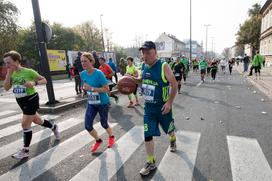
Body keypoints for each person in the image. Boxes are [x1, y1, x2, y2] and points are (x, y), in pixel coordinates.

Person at [3, 50, 60, 159]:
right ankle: (54, 127)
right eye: (5, 63)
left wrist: (34, 83)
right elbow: (6, 88)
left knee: (25, 124)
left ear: (17, 61)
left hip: (31, 99)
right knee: (38, 121)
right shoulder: (10, 73)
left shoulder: (29, 71)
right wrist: (8, 75)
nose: (7, 65)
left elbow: (44, 80)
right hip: (20, 100)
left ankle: (25, 150)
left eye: (8, 62)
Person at [133, 41, 178, 176]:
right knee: (147, 134)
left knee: (169, 129)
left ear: (155, 52)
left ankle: (172, 138)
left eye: (148, 53)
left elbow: (174, 84)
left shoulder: (163, 66)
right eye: (143, 53)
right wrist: (135, 80)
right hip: (149, 109)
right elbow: (143, 80)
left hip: (163, 107)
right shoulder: (143, 65)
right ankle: (150, 162)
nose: (145, 56)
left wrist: (169, 103)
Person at [80, 52, 115, 153]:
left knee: (104, 123)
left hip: (103, 103)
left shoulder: (98, 73)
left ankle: (111, 137)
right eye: (82, 61)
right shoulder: (82, 74)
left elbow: (106, 89)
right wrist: (84, 90)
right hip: (91, 102)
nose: (83, 63)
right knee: (87, 125)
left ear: (91, 61)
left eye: (85, 61)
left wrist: (92, 88)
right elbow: (85, 85)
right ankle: (98, 140)